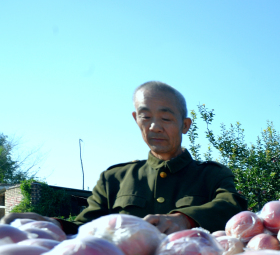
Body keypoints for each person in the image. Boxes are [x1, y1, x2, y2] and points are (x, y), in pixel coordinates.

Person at [1, 81, 247, 234]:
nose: (154, 127)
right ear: (135, 119)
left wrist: (186, 220)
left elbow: (232, 207)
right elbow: (86, 228)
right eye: (145, 117)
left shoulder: (212, 175)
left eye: (166, 118)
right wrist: (51, 224)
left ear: (185, 125)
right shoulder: (114, 179)